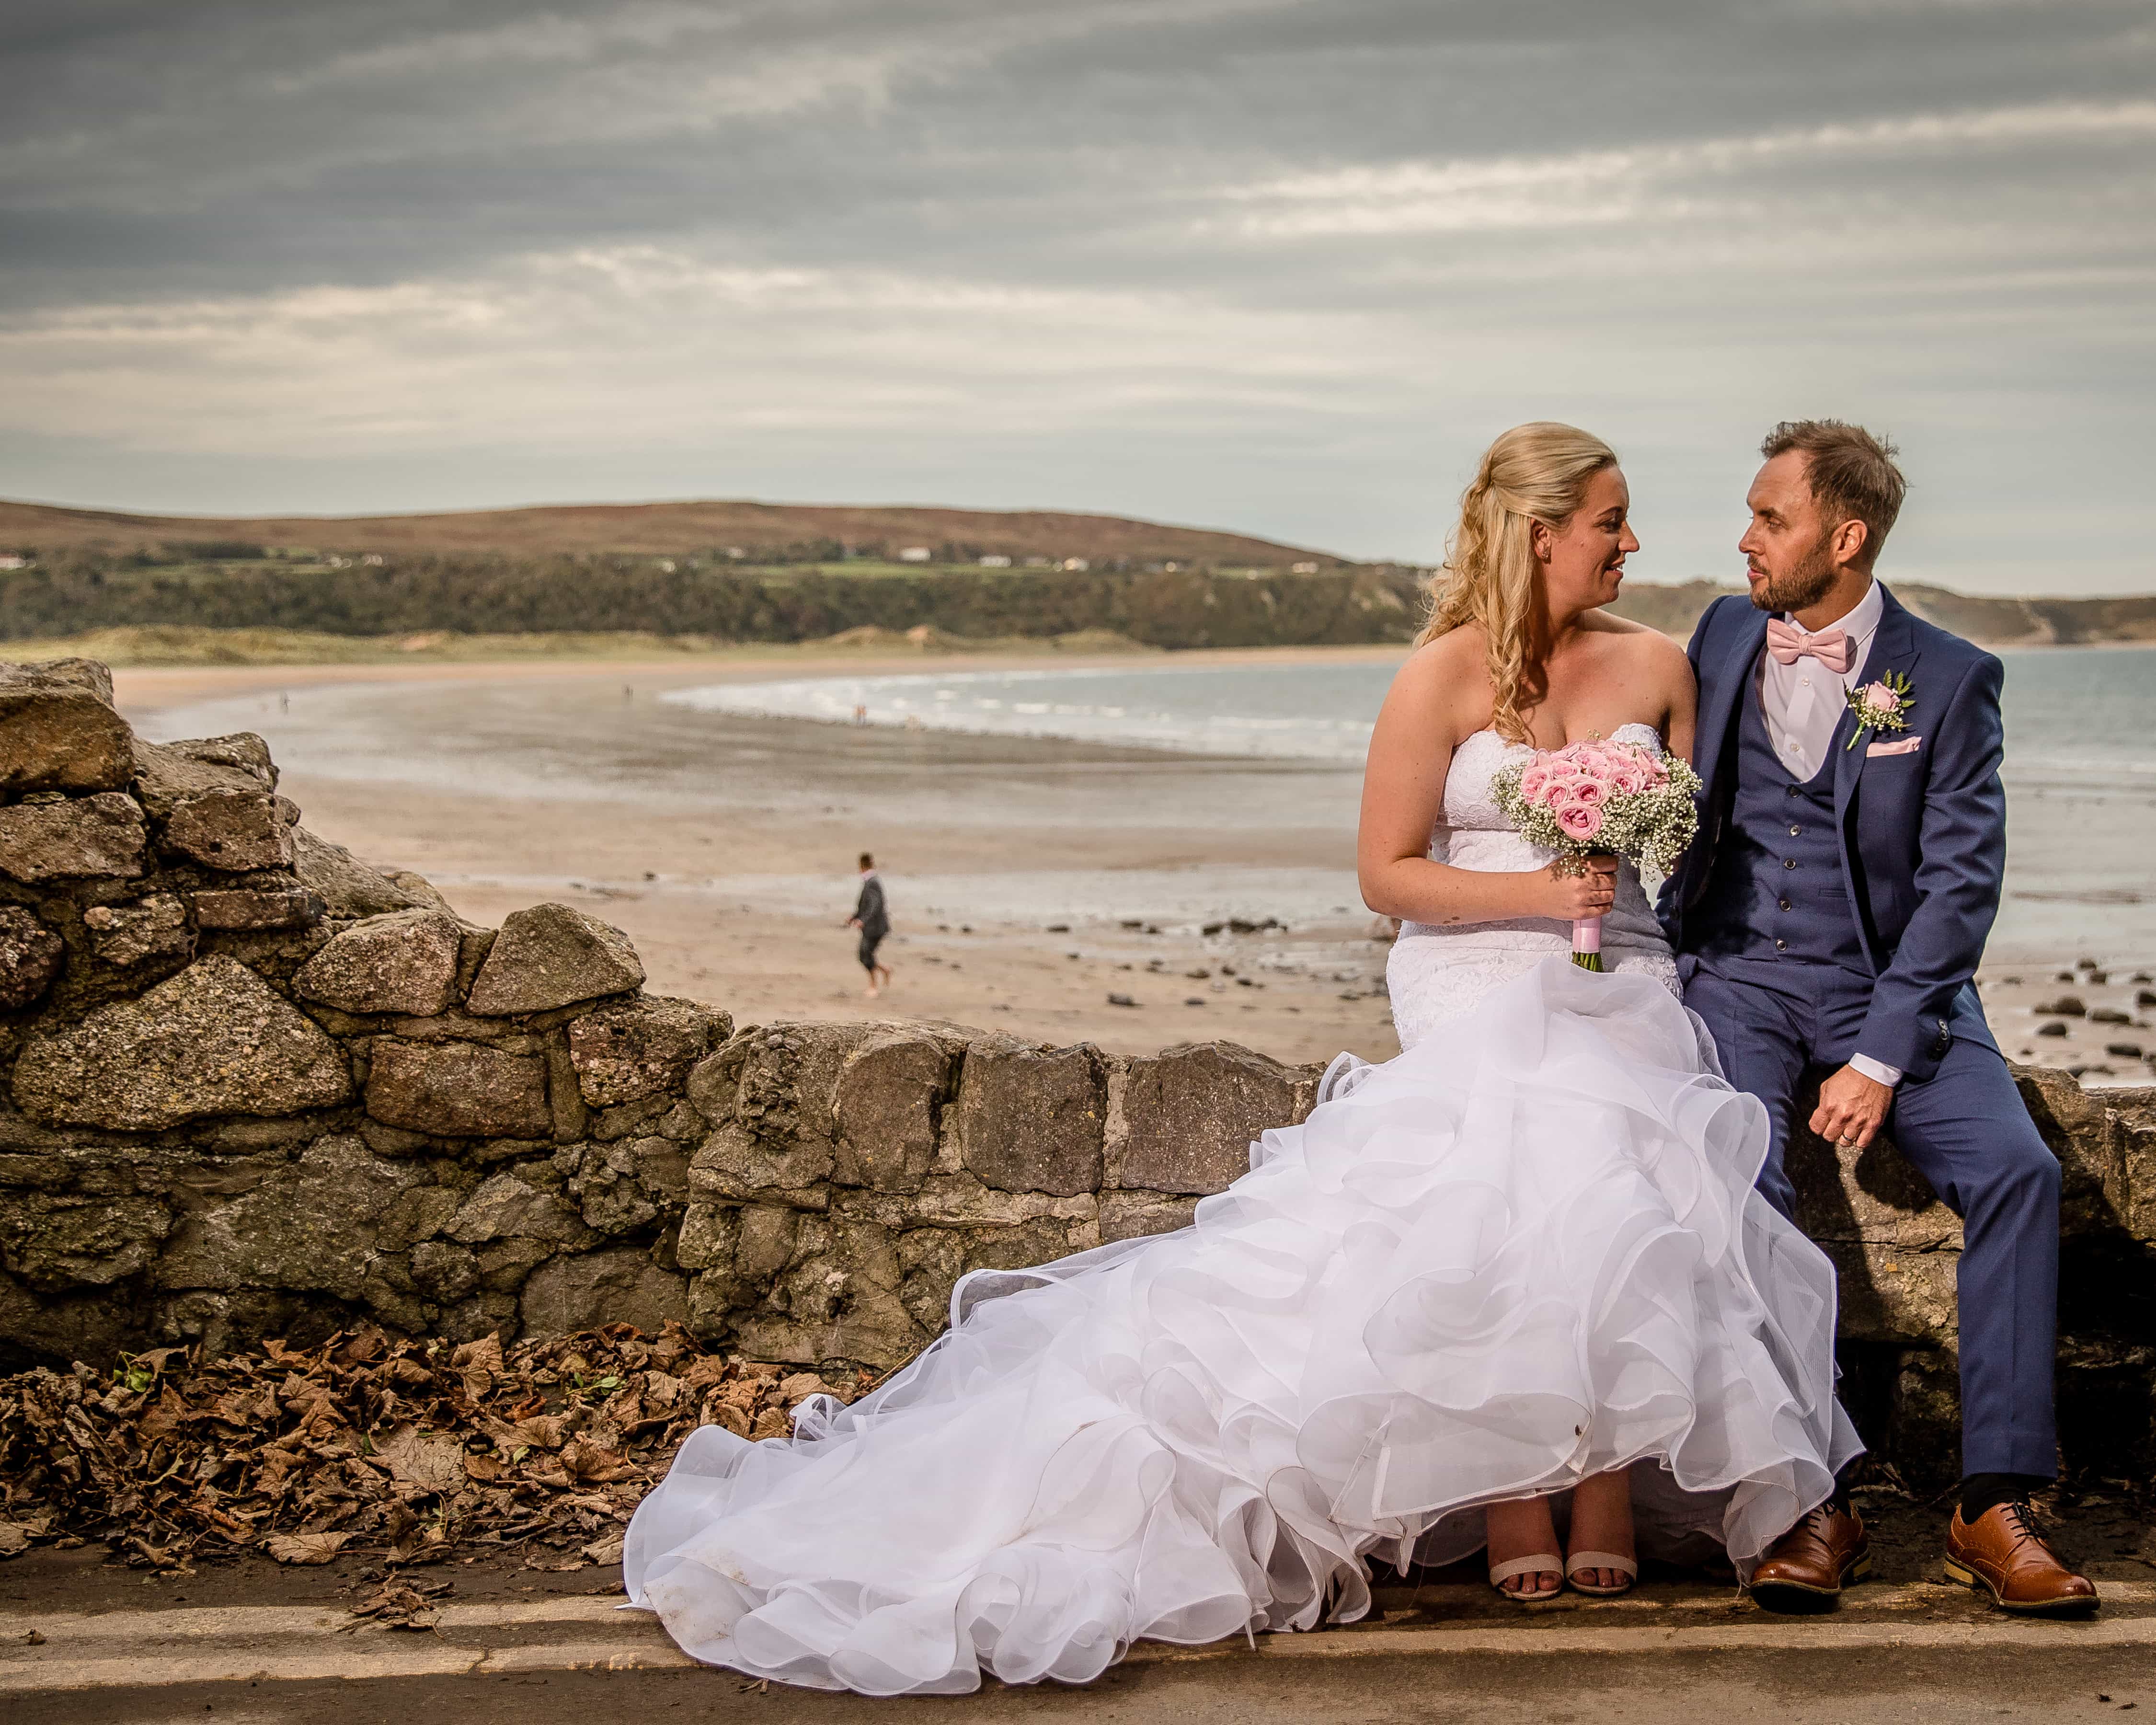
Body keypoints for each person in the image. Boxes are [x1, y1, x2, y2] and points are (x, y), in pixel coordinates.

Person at [622, 423, 1856, 1695]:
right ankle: (1511, 1495)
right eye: (1610, 518)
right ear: (1539, 532)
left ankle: (1601, 1483)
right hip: (1475, 971)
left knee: (1615, 1183)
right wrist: (1542, 897)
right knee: (1495, 1195)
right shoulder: (1435, 678)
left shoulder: (1660, 664)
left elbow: (1694, 862)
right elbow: (1386, 876)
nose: (1631, 541)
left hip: (1620, 976)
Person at [1661, 421, 2095, 1616]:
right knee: (1737, 1170)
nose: (1744, 539)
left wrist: (1877, 1055)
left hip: (1890, 985)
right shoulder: (1715, 631)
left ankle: (1990, 1500)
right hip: (1738, 972)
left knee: (2016, 1173)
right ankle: (1813, 1495)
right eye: (1749, 515)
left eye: (1769, 517)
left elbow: (1959, 883)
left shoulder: (1947, 674)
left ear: (1841, 537)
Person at [848, 852, 893, 997]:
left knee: (865, 955)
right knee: (865, 955)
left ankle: (873, 986)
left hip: (876, 927)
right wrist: (855, 916)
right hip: (873, 927)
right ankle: (885, 970)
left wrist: (863, 920)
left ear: (862, 866)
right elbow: (866, 905)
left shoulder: (872, 882)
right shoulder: (870, 881)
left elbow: (874, 905)